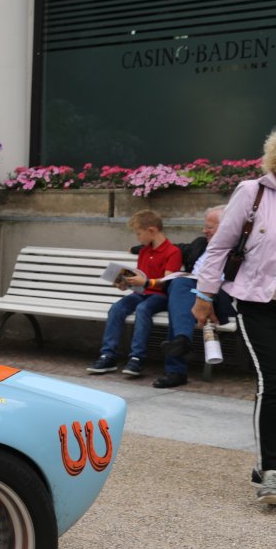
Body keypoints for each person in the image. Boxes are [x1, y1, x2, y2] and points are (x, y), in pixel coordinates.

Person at [191, 130, 276, 506]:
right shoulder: (253, 192)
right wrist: (204, 295)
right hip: (258, 303)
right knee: (273, 380)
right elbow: (219, 247)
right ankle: (272, 470)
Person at [87, 210, 182, 379]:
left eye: (139, 234)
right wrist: (125, 283)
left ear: (151, 231)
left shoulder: (173, 252)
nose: (137, 238)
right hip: (141, 293)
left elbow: (167, 281)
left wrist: (144, 282)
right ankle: (108, 355)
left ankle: (137, 358)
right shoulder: (144, 251)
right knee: (117, 308)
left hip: (160, 296)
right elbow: (140, 276)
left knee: (143, 309)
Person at [154, 205, 233, 389]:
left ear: (227, 226)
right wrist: (141, 246)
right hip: (191, 296)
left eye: (209, 227)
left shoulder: (239, 250)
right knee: (180, 290)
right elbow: (176, 248)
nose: (204, 231)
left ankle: (176, 368)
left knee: (180, 294)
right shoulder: (201, 244)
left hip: (218, 299)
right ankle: (182, 341)